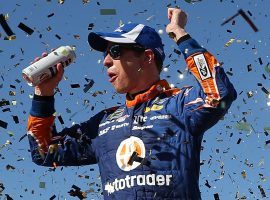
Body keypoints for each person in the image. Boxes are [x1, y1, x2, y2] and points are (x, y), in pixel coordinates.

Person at [27, 7, 237, 200]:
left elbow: (220, 93)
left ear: (146, 57)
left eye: (115, 51)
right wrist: (43, 94)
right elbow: (43, 152)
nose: (106, 61)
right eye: (105, 53)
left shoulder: (180, 105)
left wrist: (178, 32)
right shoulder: (102, 123)